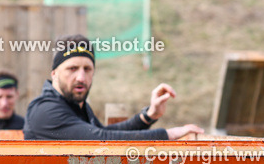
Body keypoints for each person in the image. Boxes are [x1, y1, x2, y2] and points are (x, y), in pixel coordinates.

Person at [24, 35, 203, 141]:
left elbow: (103, 133)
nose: (81, 77)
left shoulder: (78, 106)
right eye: (72, 69)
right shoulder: (45, 110)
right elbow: (100, 139)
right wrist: (169, 134)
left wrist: (148, 116)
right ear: (54, 73)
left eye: (87, 69)